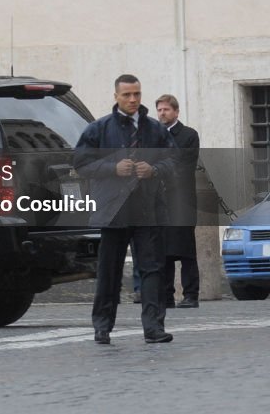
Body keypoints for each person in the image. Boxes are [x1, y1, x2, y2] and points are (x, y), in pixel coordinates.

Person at [74, 74, 176, 345]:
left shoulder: (155, 129)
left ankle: (153, 327)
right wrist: (112, 168)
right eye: (127, 95)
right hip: (113, 210)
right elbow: (81, 163)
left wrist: (153, 169)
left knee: (153, 270)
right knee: (109, 270)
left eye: (137, 95)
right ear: (116, 96)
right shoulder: (99, 129)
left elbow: (174, 161)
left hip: (148, 210)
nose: (133, 100)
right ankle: (102, 327)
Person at [155, 93, 201, 309]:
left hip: (181, 201)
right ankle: (166, 296)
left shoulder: (188, 135)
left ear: (176, 112)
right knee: (163, 251)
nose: (162, 113)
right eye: (160, 110)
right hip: (159, 201)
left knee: (186, 251)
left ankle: (191, 294)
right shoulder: (153, 136)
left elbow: (183, 165)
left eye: (166, 109)